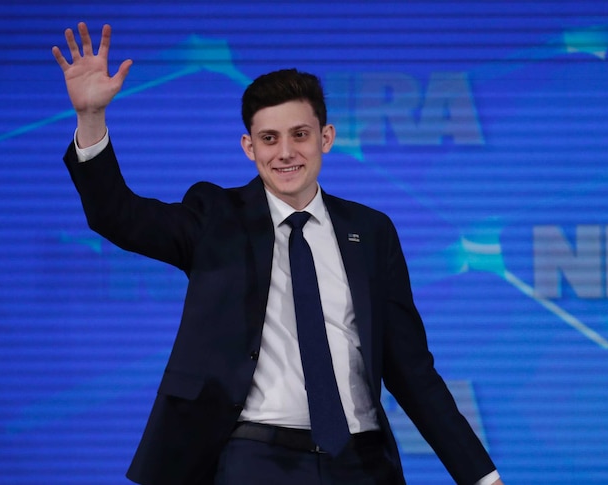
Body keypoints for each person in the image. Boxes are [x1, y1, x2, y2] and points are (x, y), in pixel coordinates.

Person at [52, 22, 503, 485]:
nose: (285, 152)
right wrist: (91, 119)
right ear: (249, 147)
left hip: (362, 462)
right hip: (255, 459)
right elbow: (117, 215)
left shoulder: (371, 232)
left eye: (300, 135)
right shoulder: (214, 217)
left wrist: (482, 476)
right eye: (269, 139)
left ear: (325, 137)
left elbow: (411, 370)